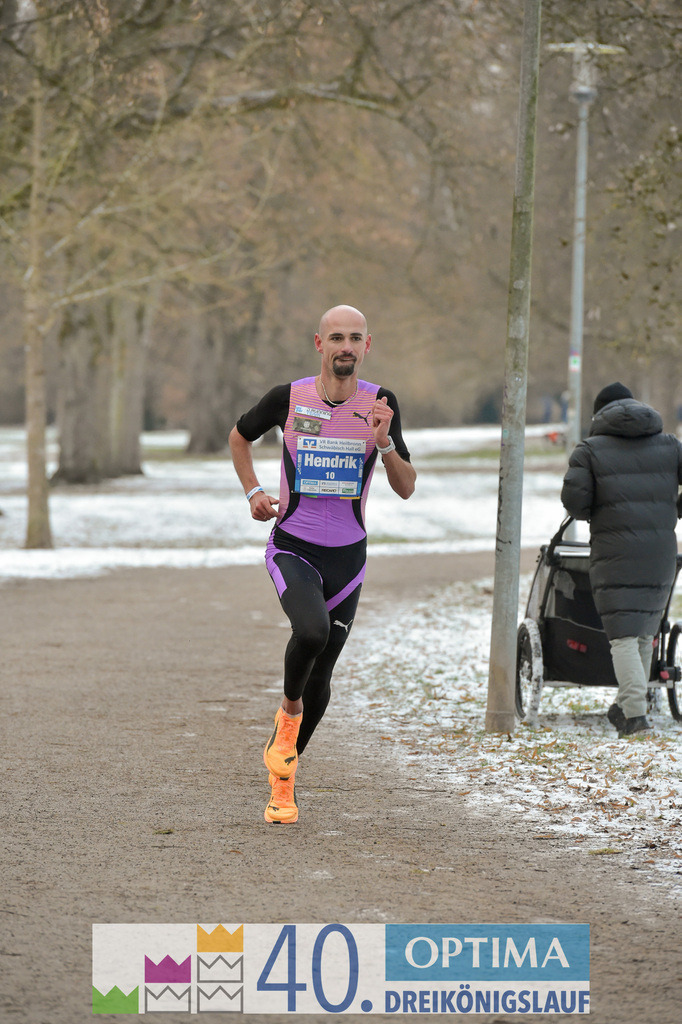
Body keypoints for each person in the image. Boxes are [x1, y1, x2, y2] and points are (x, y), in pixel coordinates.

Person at [228, 305, 416, 822]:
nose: (346, 346)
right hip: (293, 545)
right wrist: (254, 491)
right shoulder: (288, 399)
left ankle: (283, 782)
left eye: (355, 337)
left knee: (323, 671)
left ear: (367, 344)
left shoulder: (381, 402)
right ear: (319, 343)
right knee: (309, 634)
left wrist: (384, 443)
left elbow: (405, 487)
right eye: (337, 337)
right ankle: (287, 721)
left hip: (348, 559)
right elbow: (239, 436)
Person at [561, 382, 682, 736]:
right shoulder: (671, 446)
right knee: (644, 631)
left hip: (614, 551)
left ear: (599, 414)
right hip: (660, 551)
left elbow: (575, 503)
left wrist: (600, 510)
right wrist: (671, 511)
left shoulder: (589, 451)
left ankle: (634, 715)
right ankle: (626, 706)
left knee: (624, 636)